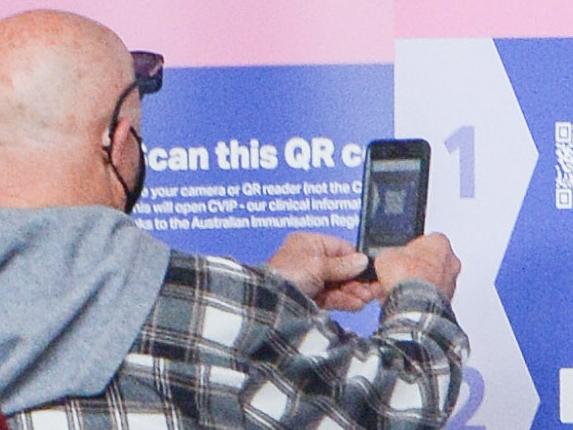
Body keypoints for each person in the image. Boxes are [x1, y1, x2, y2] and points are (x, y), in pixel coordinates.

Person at [0, 9, 469, 430]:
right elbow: (398, 405)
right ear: (118, 141)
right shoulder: (199, 303)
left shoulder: (201, 308)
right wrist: (421, 293)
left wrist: (267, 291)